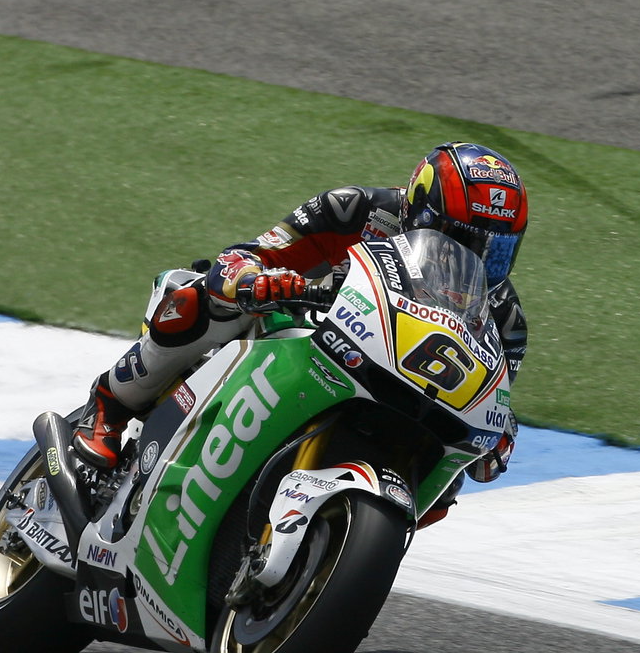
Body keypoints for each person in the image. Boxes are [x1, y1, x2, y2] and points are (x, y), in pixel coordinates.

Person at [71, 141, 530, 498]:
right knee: (209, 297)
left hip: (392, 381)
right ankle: (111, 403)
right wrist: (256, 281)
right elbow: (246, 256)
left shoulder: (506, 319)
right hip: (300, 329)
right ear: (417, 208)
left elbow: (492, 400)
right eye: (458, 239)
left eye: (498, 249)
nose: (475, 258)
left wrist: (499, 438)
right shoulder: (355, 210)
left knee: (448, 485)